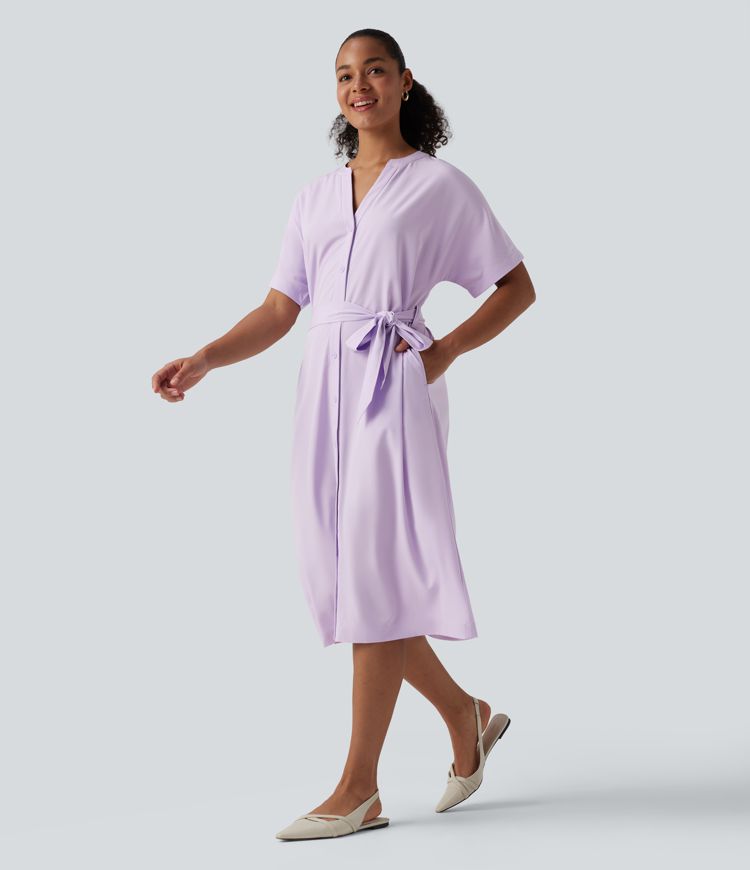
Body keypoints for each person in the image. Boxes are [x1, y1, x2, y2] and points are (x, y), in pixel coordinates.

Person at [151, 28, 536, 841]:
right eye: (345, 75)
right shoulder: (315, 199)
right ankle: (465, 715)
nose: (359, 85)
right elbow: (280, 309)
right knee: (351, 576)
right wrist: (206, 357)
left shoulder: (439, 186)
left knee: (372, 574)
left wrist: (444, 352)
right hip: (321, 394)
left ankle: (359, 787)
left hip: (393, 389)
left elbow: (515, 286)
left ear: (404, 82)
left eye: (375, 71)